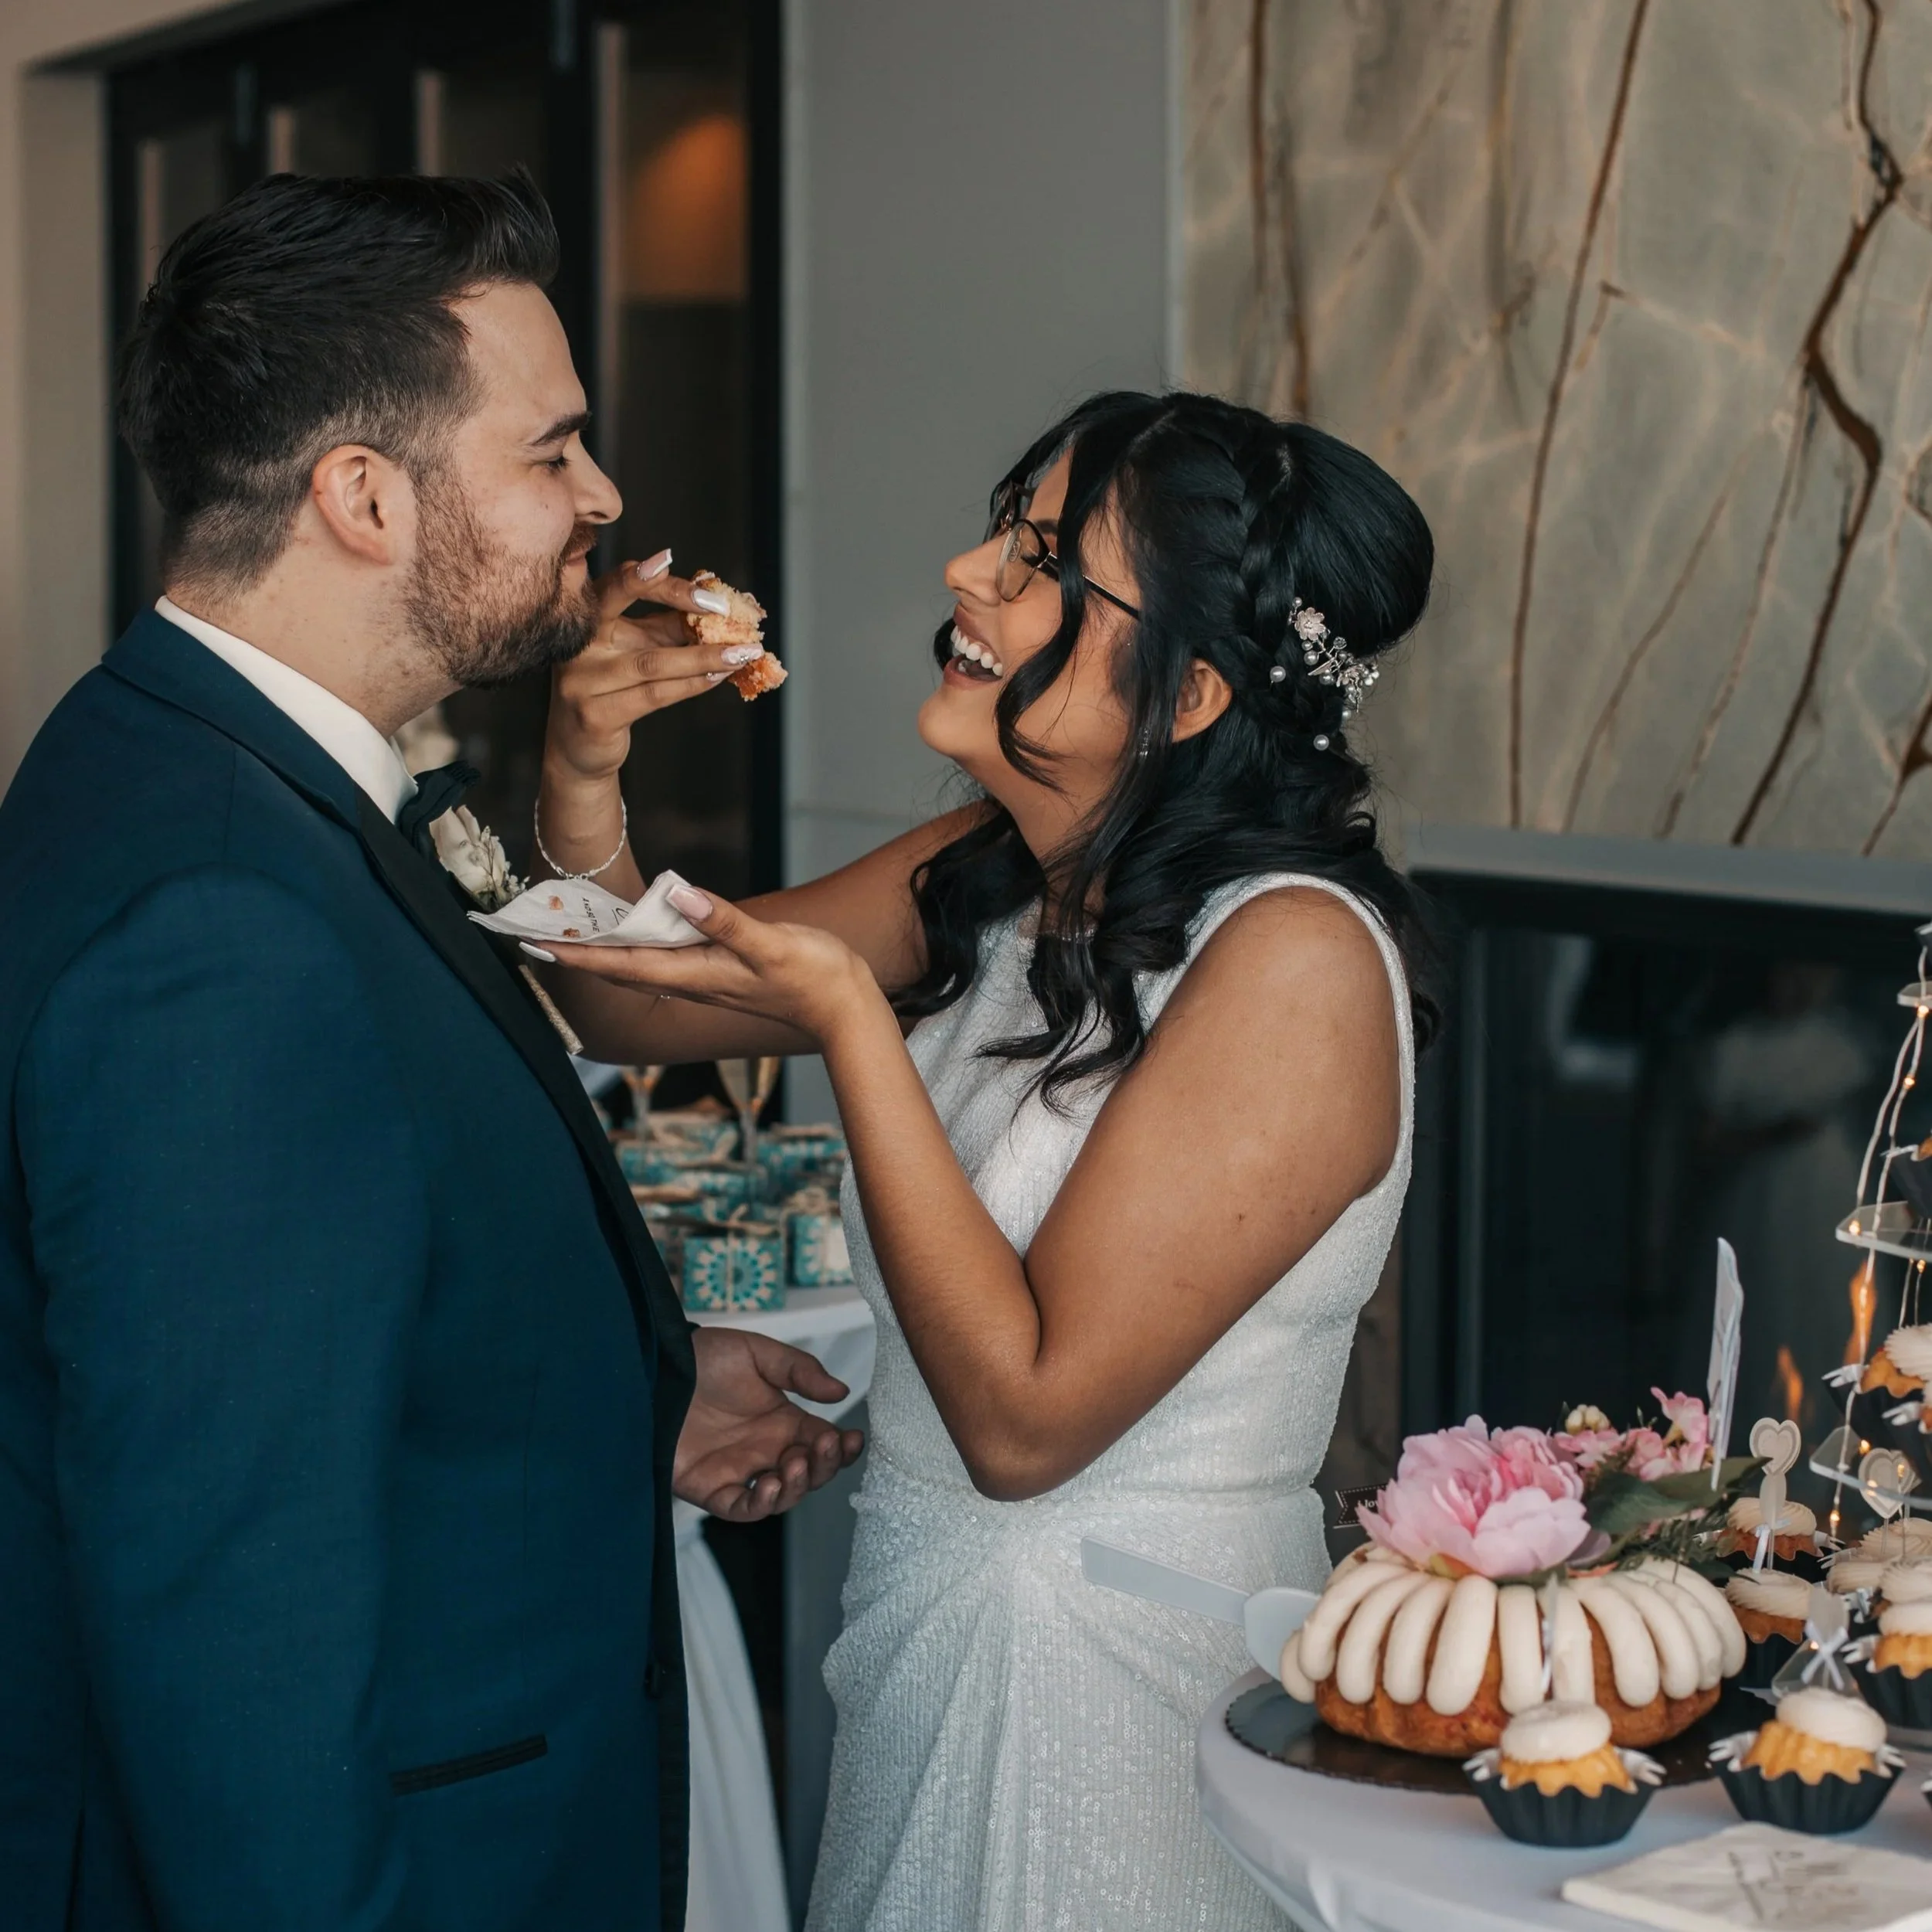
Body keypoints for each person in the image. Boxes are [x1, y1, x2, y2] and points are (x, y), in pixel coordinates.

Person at [0, 172, 859, 1932]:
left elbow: (283, 1332)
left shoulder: (197, 765)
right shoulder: (219, 926)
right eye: (551, 449)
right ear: (366, 498)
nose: (604, 497)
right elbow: (234, 1619)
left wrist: (633, 1378)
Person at [532, 389, 1437, 1927]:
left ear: (1192, 690)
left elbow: (1023, 1420)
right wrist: (578, 764)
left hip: (1122, 1693)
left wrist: (853, 1027)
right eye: (1000, 529)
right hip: (931, 1633)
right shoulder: (991, 872)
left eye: (1034, 562)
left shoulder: (1292, 959)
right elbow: (624, 994)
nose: (963, 571)